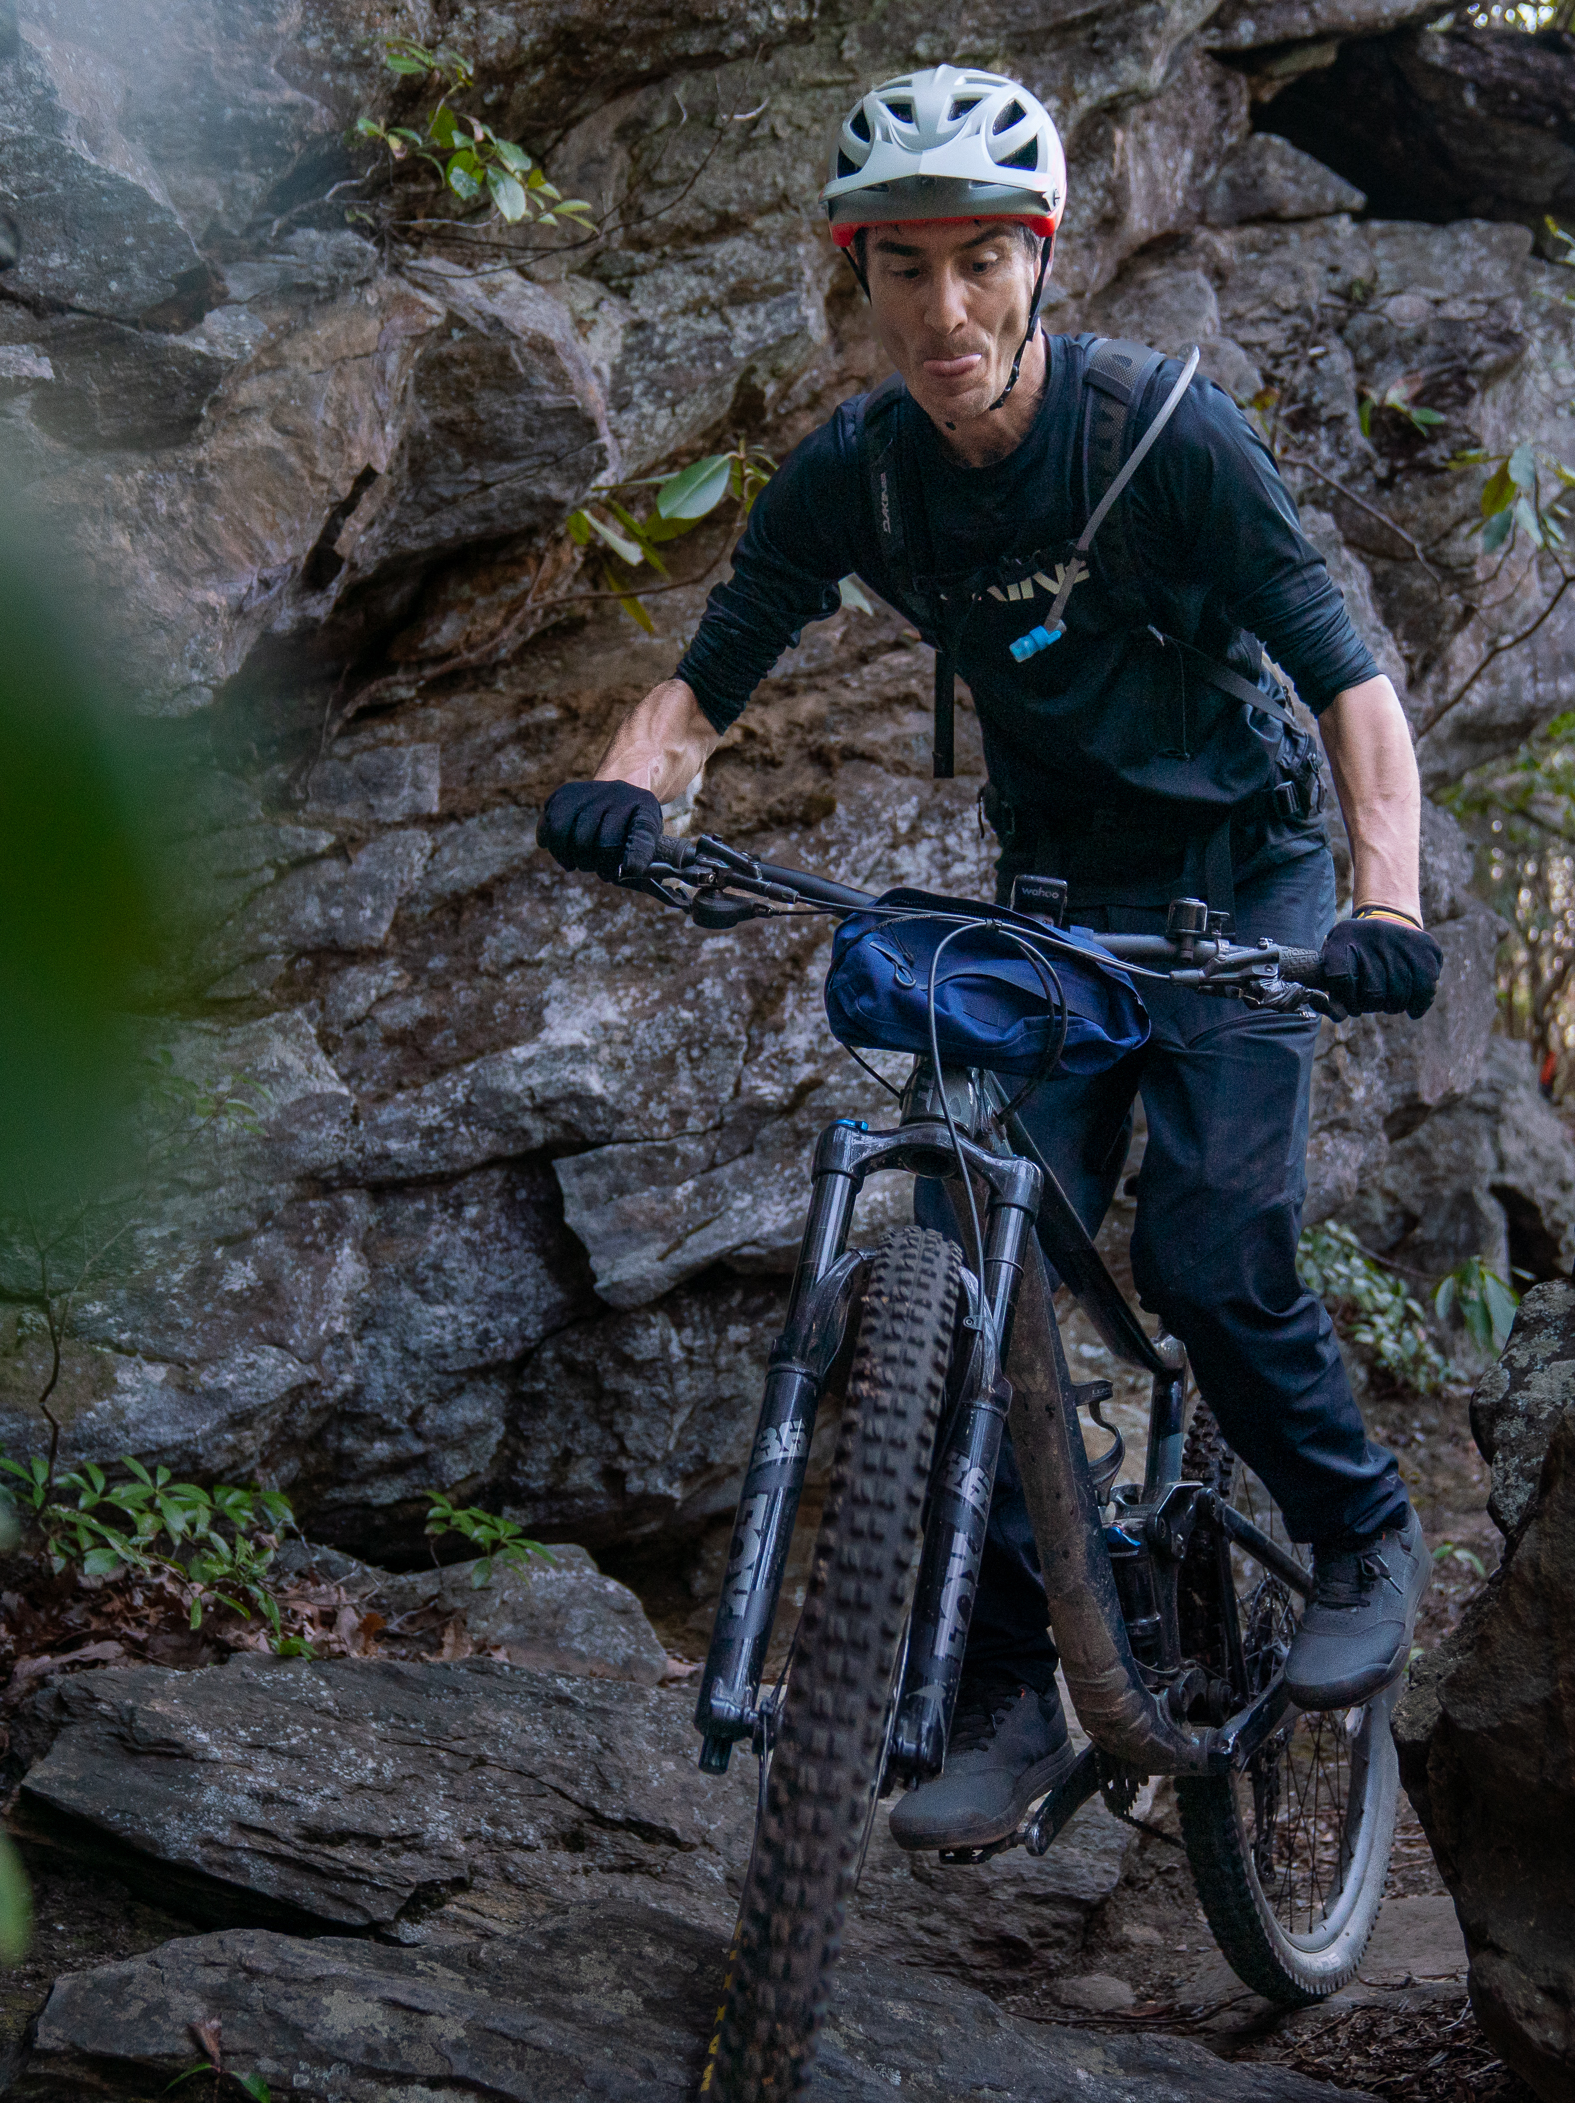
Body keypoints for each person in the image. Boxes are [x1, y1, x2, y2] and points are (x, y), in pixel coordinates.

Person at [537, 64, 1442, 1849]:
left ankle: (1363, 1528)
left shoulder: (1166, 436)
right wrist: (623, 788)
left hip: (1239, 876)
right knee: (961, 1259)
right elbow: (706, 683)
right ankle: (1026, 1670)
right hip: (1057, 892)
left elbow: (1354, 687)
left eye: (977, 265)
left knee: (1208, 1242)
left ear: (1040, 257)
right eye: (901, 270)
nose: (942, 312)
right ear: (855, 278)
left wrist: (1386, 909)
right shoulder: (862, 481)